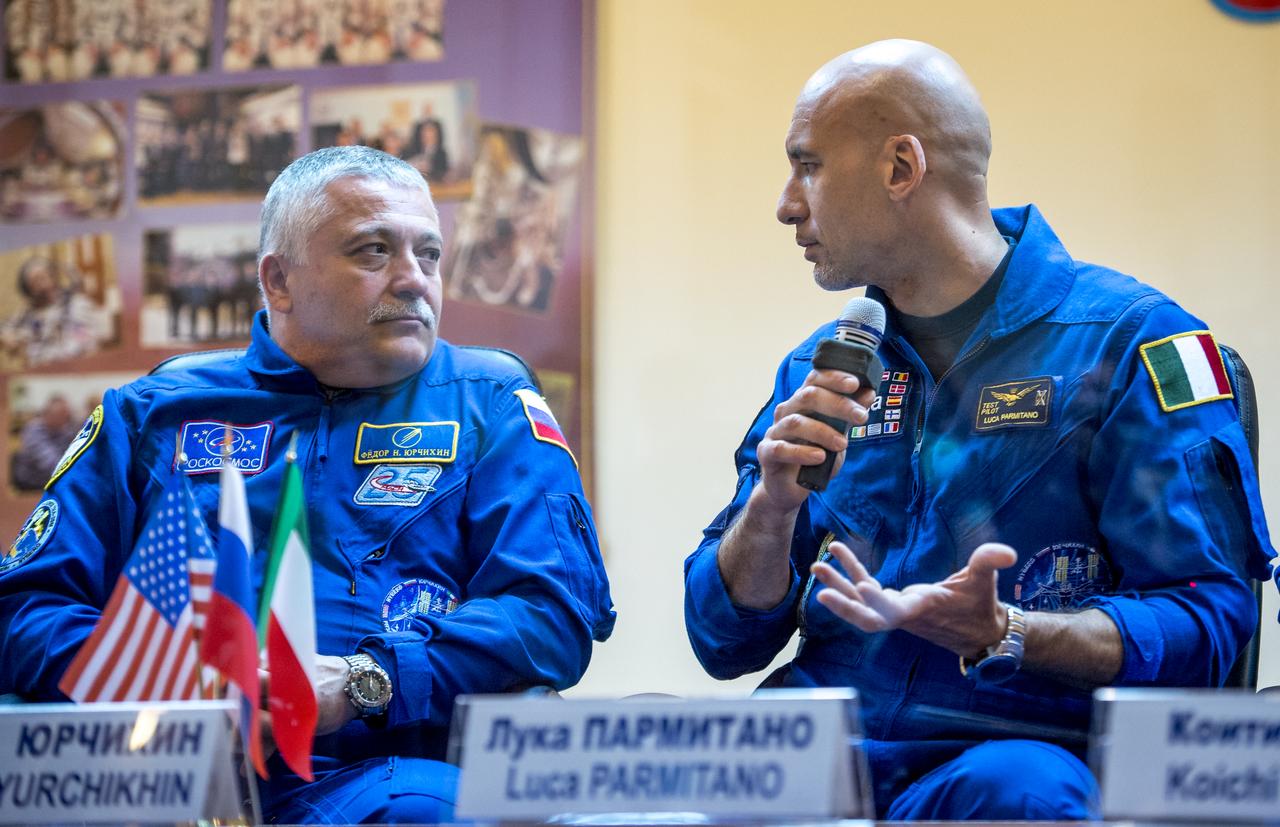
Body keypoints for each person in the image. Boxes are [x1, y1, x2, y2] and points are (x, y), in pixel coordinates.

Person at [683, 39, 1274, 821]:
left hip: (1009, 758)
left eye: (809, 166)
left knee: (1020, 793)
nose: (788, 204)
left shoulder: (1132, 344)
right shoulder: (818, 368)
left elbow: (1210, 620)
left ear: (901, 167)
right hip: (817, 755)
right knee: (647, 772)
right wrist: (770, 508)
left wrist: (1010, 631)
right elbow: (724, 642)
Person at [0, 146, 615, 823]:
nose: (415, 280)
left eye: (429, 254)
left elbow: (549, 614)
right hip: (164, 777)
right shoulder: (153, 413)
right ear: (279, 280)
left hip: (382, 777)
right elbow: (26, 608)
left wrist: (364, 681)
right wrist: (163, 682)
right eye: (374, 251)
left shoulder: (489, 403)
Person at [0, 255, 109, 368]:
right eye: (35, 281)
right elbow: (4, 327)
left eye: (44, 277)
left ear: (53, 277)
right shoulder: (26, 314)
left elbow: (83, 345)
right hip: (39, 373)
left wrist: (41, 356)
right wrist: (6, 337)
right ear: (27, 290)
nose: (42, 284)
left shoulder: (76, 305)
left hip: (72, 370)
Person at [10, 394, 78, 491]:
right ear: (48, 414)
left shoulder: (65, 430)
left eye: (67, 416)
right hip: (32, 484)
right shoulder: (34, 430)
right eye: (62, 416)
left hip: (52, 482)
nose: (66, 421)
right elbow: (51, 463)